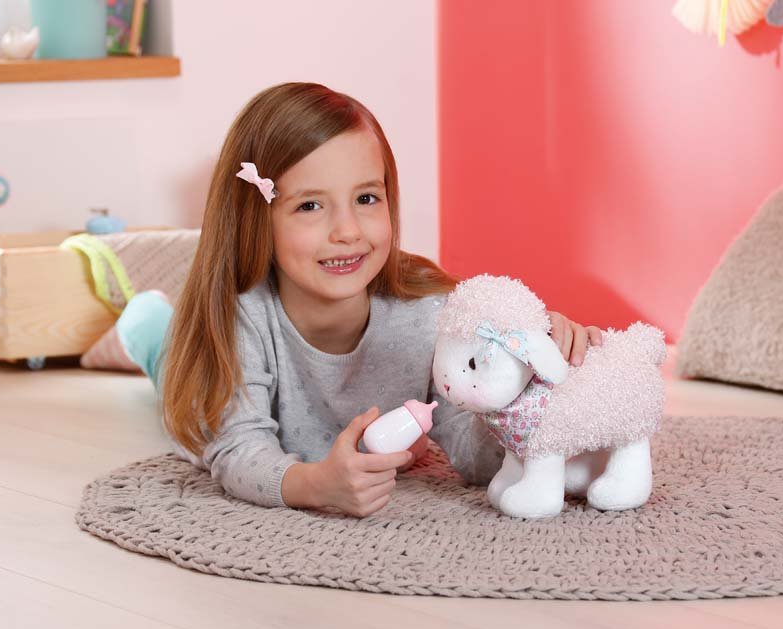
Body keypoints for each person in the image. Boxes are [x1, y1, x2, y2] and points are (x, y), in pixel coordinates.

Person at [153, 82, 601, 517]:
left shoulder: (428, 315)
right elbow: (238, 449)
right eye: (310, 206)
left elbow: (476, 454)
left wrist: (530, 385)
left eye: (366, 198)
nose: (347, 231)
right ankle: (146, 315)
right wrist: (314, 484)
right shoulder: (239, 317)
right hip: (181, 348)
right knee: (154, 342)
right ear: (256, 219)